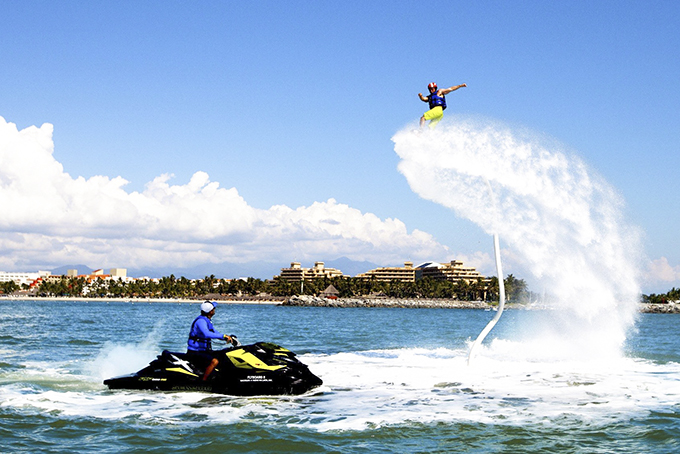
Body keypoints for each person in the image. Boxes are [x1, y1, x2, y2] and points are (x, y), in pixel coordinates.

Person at [186, 301, 235, 381]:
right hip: (195, 352)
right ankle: (203, 382)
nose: (215, 310)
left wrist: (226, 337)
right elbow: (207, 334)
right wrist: (223, 336)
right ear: (210, 311)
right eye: (213, 309)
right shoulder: (201, 321)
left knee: (224, 354)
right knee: (214, 361)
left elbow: (215, 333)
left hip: (205, 351)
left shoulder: (207, 321)